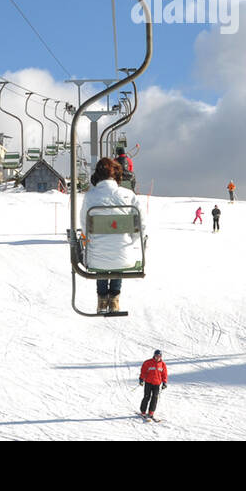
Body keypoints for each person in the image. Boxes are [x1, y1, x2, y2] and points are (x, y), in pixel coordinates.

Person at [82, 156, 144, 314]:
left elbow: (84, 225)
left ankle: (102, 299)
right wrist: (132, 239)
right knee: (119, 251)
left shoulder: (90, 196)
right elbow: (141, 223)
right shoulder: (128, 195)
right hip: (124, 256)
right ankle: (114, 299)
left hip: (96, 258)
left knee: (101, 258)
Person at [138, 349, 168, 420]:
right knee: (146, 396)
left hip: (157, 384)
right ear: (154, 355)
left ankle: (151, 412)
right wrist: (141, 379)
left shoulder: (163, 364)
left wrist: (164, 382)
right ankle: (143, 411)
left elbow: (164, 374)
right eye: (156, 356)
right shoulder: (148, 362)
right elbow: (143, 371)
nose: (158, 357)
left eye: (159, 356)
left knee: (155, 398)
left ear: (161, 356)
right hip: (148, 382)